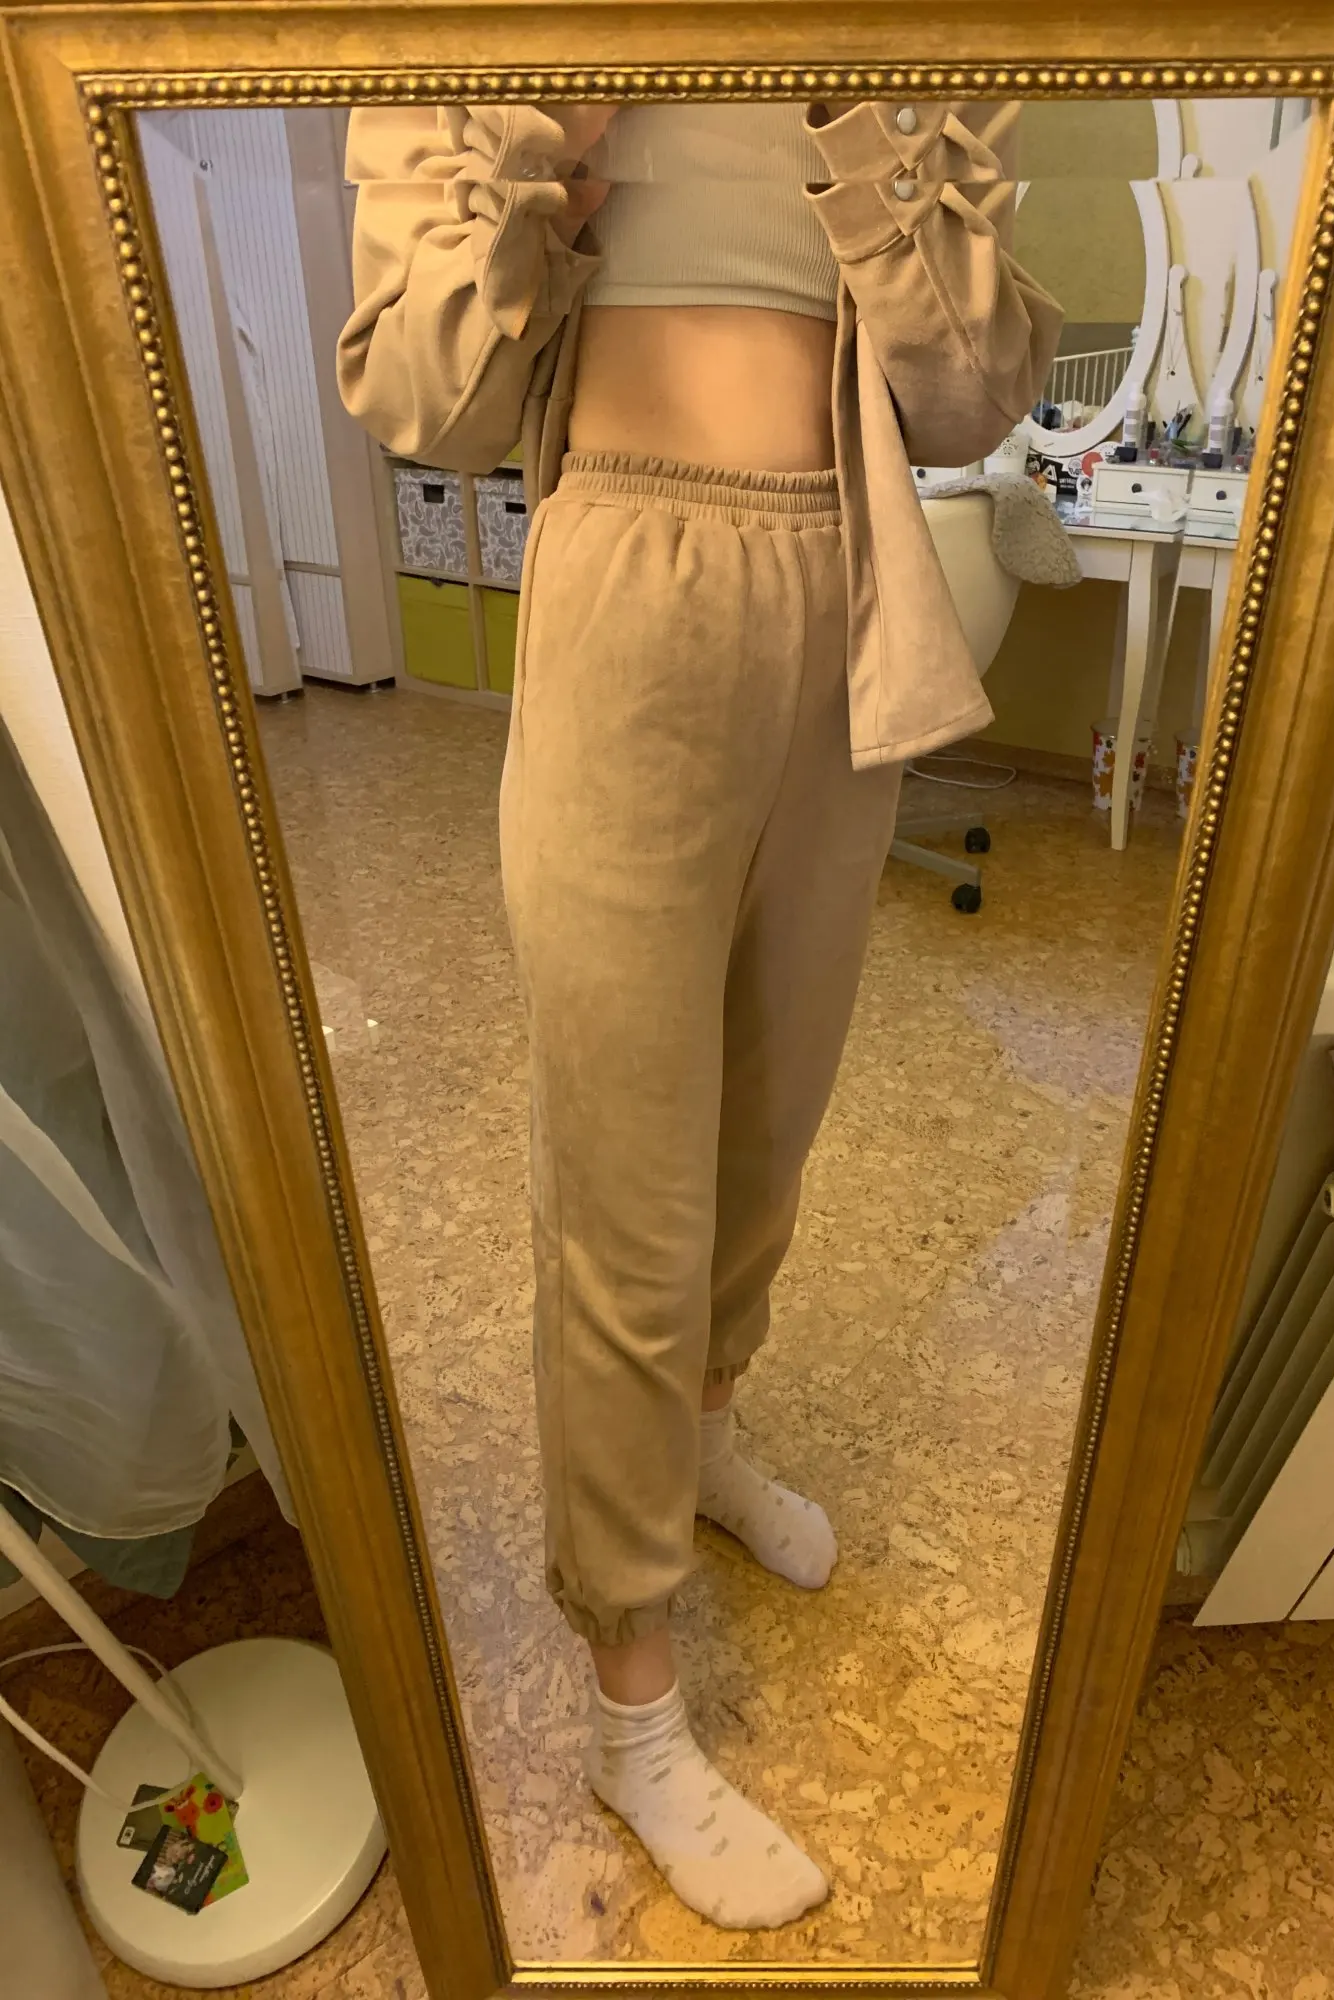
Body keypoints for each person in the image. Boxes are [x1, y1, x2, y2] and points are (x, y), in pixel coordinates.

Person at [339, 97, 1060, 1930]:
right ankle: (631, 1710)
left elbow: (975, 400)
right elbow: (423, 401)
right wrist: (544, 143)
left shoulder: (902, 48)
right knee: (625, 1187)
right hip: (625, 588)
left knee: (767, 1132)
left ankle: (708, 1431)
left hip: (849, 593)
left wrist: (866, 127)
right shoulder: (487, 48)